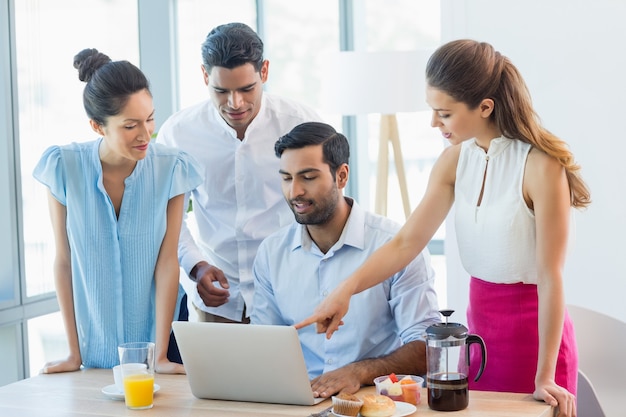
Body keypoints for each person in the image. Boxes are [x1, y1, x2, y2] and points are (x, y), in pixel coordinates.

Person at [296, 40, 590, 416]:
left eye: (444, 113)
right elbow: (406, 242)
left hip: (536, 341)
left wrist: (545, 375)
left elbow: (551, 276)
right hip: (481, 333)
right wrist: (346, 290)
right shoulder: (454, 161)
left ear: (485, 107)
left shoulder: (541, 167)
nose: (434, 123)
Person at [33, 48, 203, 374]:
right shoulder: (63, 167)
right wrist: (73, 353)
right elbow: (65, 261)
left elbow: (167, 262)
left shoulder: (171, 167)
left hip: (161, 341)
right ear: (98, 126)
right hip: (94, 349)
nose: (145, 134)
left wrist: (162, 355)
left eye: (150, 118)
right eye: (130, 126)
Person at [251, 122, 440, 398]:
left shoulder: (396, 246)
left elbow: (426, 347)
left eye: (308, 177)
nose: (295, 192)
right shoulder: (271, 253)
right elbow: (263, 345)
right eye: (287, 178)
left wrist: (359, 372)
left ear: (341, 176)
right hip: (300, 401)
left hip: (375, 401)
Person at [157, 22, 321, 324]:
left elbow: (326, 205)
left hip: (291, 294)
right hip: (217, 299)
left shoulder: (300, 123)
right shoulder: (178, 134)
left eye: (247, 89)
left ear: (265, 72)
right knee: (216, 374)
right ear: (205, 76)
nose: (236, 103)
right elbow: (168, 217)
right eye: (221, 90)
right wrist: (196, 265)